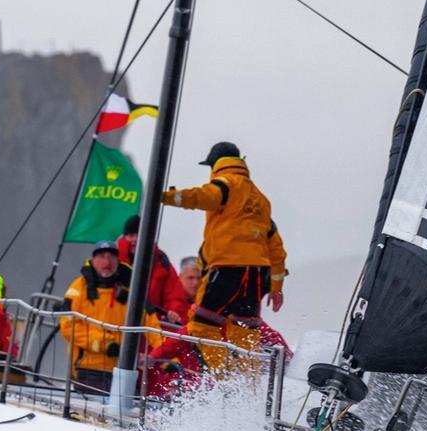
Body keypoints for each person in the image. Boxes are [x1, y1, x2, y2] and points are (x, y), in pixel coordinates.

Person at [158, 142, 288, 355]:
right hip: (257, 273)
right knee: (245, 333)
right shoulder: (261, 200)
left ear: (215, 165)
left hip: (227, 267)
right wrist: (276, 287)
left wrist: (166, 197)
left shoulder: (225, 184)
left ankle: (222, 377)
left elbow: (203, 196)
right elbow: (276, 247)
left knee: (201, 325)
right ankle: (247, 383)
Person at [59, 242, 159, 391]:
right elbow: (68, 326)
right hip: (86, 370)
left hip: (121, 371)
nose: (107, 262)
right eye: (102, 257)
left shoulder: (130, 292)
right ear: (93, 261)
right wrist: (106, 344)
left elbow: (152, 325)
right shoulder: (79, 287)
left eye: (112, 257)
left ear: (118, 262)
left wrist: (163, 355)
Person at [116, 215, 193, 324]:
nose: (136, 239)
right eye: (131, 235)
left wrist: (173, 313)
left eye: (140, 234)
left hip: (150, 329)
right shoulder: (113, 261)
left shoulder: (162, 263)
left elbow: (174, 296)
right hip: (116, 323)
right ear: (125, 237)